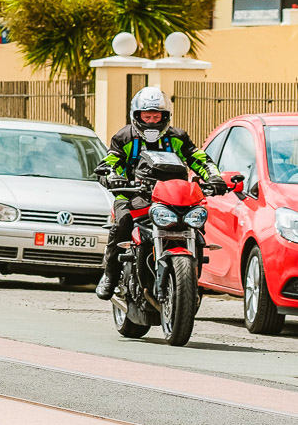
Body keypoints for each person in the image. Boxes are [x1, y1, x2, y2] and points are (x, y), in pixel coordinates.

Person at [94, 86, 222, 300]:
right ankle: (110, 275)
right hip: (132, 194)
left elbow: (199, 159)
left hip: (173, 197)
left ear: (165, 116)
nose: (152, 121)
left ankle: (191, 280)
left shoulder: (177, 137)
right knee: (123, 222)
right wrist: (111, 176)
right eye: (147, 116)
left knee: (196, 223)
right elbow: (110, 161)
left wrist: (214, 177)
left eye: (157, 116)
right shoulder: (124, 137)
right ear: (137, 116)